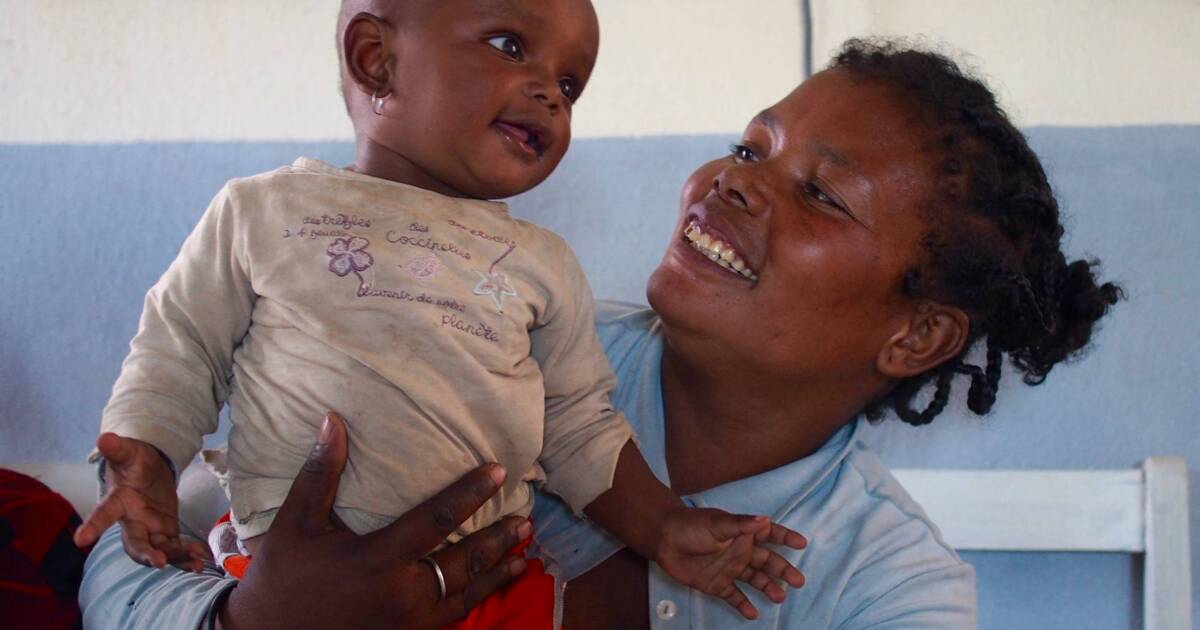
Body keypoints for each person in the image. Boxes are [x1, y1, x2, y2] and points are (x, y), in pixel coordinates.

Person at [79, 38, 1121, 628]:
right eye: (749, 144)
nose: (733, 181)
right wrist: (246, 625)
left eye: (821, 195)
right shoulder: (470, 344)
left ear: (915, 335)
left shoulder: (890, 592)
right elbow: (123, 570)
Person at [72, 0, 805, 626]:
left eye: (571, 84)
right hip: (285, 583)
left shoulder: (542, 264)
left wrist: (664, 525)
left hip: (483, 591)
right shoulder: (264, 212)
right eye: (511, 45)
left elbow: (578, 426)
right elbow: (178, 351)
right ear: (377, 60)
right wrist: (146, 464)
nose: (551, 92)